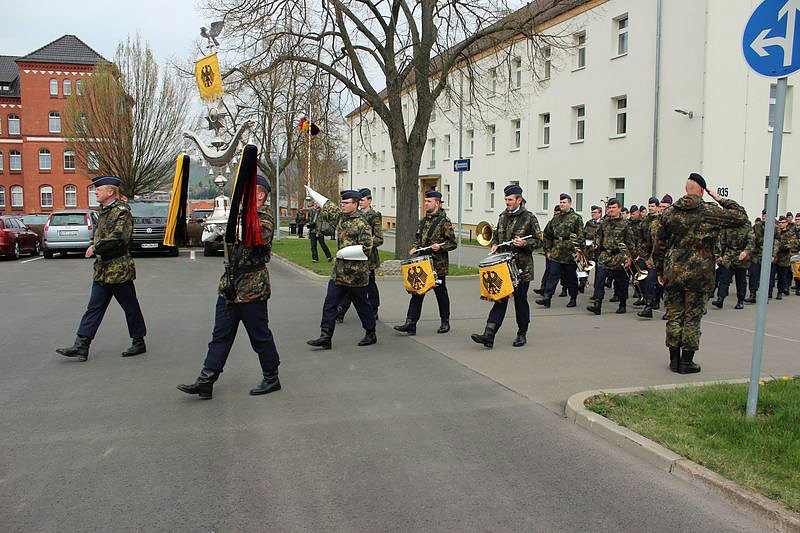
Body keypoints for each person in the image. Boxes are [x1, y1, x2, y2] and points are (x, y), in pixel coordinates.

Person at [177, 175, 281, 399]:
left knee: (259, 335)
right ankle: (206, 380)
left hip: (252, 285)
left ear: (260, 195)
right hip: (229, 285)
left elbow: (257, 239)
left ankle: (272, 377)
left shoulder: (264, 218)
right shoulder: (237, 215)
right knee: (220, 335)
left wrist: (231, 227)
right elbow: (216, 237)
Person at [653, 173, 748, 374]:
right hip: (700, 272)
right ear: (702, 191)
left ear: (686, 189)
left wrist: (661, 270)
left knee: (674, 315)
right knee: (692, 317)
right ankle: (687, 361)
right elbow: (741, 216)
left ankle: (674, 360)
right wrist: (720, 198)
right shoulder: (709, 211)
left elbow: (658, 245)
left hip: (674, 271)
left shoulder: (669, 212)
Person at [56, 176, 147, 362]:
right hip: (103, 269)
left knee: (129, 306)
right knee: (94, 307)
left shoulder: (121, 211)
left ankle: (138, 341)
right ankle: (81, 345)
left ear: (110, 192)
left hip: (118, 268)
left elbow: (119, 237)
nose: (95, 192)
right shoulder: (104, 211)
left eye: (99, 189)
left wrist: (96, 247)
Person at [471, 184, 542, 348]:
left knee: (520, 301)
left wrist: (524, 242)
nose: (507, 202)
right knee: (500, 299)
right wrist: (495, 245)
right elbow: (497, 237)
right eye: (505, 199)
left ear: (519, 199)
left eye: (510, 199)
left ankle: (522, 333)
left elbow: (539, 241)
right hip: (503, 267)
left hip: (522, 268)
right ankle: (489, 334)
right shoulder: (502, 216)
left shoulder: (529, 217)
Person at [307, 189, 376, 349]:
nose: (343, 205)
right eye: (342, 203)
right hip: (339, 273)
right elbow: (328, 206)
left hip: (356, 275)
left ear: (355, 204)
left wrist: (344, 253)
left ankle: (370, 332)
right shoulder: (341, 218)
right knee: (329, 304)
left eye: (346, 203)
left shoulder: (362, 224)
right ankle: (325, 336)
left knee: (362, 306)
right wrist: (311, 192)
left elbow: (367, 248)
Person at [394, 189, 457, 335]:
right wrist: (415, 247)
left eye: (429, 201)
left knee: (441, 293)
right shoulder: (423, 221)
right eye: (425, 201)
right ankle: (411, 323)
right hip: (423, 264)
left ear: (437, 203)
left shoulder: (444, 222)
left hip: (438, 264)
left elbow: (452, 243)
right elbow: (418, 238)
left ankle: (445, 321)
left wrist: (439, 247)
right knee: (417, 292)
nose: (426, 203)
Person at [337, 188, 383, 321]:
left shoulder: (374, 216)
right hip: (352, 256)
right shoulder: (351, 215)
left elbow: (379, 238)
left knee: (370, 285)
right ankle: (341, 310)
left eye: (363, 200)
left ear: (369, 200)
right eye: (359, 200)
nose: (360, 202)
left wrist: (363, 245)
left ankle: (374, 309)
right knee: (349, 285)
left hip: (368, 257)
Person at [586, 199, 634, 315]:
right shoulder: (604, 223)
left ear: (619, 209)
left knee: (621, 282)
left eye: (613, 208)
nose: (611, 210)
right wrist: (595, 244)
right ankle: (597, 303)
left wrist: (629, 258)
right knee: (600, 280)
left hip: (619, 256)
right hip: (605, 255)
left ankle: (622, 303)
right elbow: (598, 236)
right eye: (609, 208)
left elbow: (630, 243)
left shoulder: (625, 224)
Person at [536, 193, 583, 308]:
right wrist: (547, 249)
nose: (562, 204)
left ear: (570, 203)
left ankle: (573, 297)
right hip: (556, 252)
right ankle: (547, 297)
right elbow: (547, 234)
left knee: (571, 277)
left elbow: (581, 235)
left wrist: (579, 252)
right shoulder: (555, 219)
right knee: (553, 275)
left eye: (564, 202)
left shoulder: (576, 218)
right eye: (561, 202)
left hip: (569, 252)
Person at [712, 220, 754, 309]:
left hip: (741, 256)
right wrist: (720, 255)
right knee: (724, 278)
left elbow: (751, 242)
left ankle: (740, 301)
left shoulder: (747, 226)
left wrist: (746, 252)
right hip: (728, 255)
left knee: (741, 280)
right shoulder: (728, 225)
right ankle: (720, 298)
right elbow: (722, 242)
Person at [635, 197, 662, 318]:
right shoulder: (645, 221)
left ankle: (653, 302)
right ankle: (648, 304)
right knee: (644, 279)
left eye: (653, 206)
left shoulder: (662, 220)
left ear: (657, 207)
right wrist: (641, 253)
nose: (651, 208)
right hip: (647, 255)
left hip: (659, 255)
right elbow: (641, 238)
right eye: (649, 206)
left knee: (656, 281)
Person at [769, 216, 799, 300]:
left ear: (786, 223)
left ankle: (780, 292)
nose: (781, 224)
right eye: (780, 222)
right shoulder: (775, 232)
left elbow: (793, 244)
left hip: (784, 258)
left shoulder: (790, 232)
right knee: (771, 276)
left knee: (782, 277)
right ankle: (769, 293)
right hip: (774, 257)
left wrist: (780, 246)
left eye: (783, 222)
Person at [745, 210, 766, 303]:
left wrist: (773, 254)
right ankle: (752, 294)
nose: (764, 217)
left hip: (766, 255)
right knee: (753, 274)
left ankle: (765, 294)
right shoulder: (756, 227)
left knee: (766, 276)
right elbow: (751, 239)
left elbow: (776, 241)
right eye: (763, 215)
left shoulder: (775, 227)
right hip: (756, 255)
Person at [583, 205, 602, 291]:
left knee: (599, 271)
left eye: (595, 212)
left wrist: (597, 244)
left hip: (598, 251)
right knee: (585, 268)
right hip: (588, 250)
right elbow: (584, 234)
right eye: (592, 212)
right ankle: (582, 283)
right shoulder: (589, 223)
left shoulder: (603, 223)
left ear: (600, 213)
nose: (593, 214)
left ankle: (596, 290)